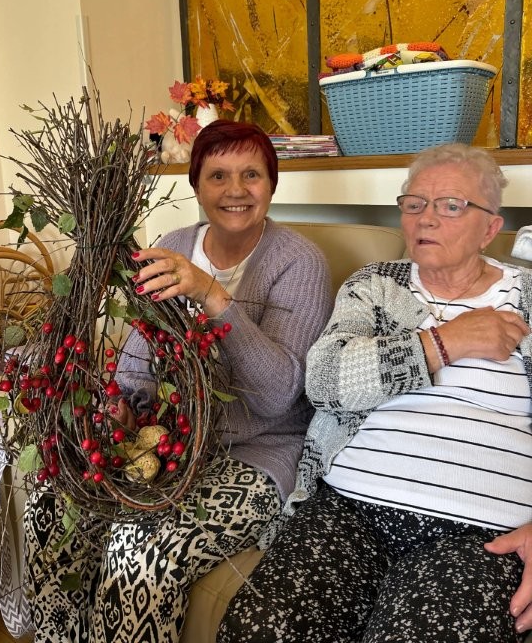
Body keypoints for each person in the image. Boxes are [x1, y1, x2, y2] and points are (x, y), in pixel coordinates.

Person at [23, 119, 333, 643]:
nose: (235, 190)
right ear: (196, 186)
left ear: (272, 184)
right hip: (163, 444)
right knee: (51, 501)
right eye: (218, 176)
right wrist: (122, 409)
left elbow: (279, 395)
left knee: (140, 547)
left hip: (255, 451)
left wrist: (213, 296)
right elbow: (135, 364)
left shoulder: (300, 262)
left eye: (251, 174)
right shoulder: (172, 244)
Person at [218, 143, 532, 643]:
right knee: (258, 627)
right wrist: (444, 342)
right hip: (348, 510)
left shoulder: (527, 297)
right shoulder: (376, 285)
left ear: (491, 228)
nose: (426, 218)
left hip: (477, 537)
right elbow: (324, 382)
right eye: (414, 203)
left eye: (451, 206)